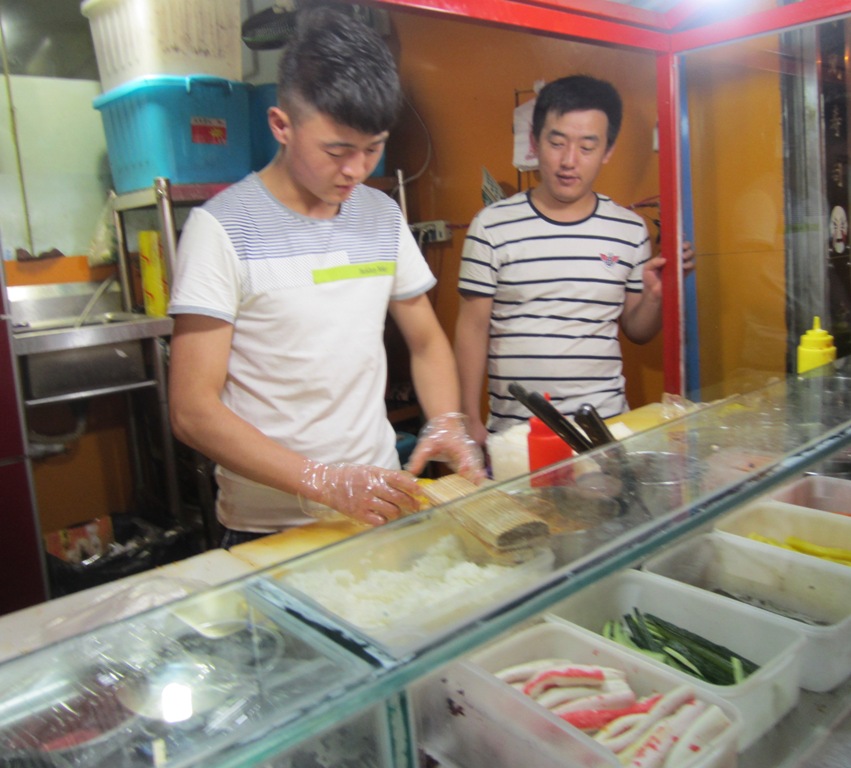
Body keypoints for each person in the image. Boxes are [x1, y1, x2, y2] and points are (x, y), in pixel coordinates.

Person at [168, 7, 482, 548]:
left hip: (378, 503)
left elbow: (428, 342)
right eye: (337, 151)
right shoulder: (220, 229)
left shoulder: (380, 215)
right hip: (269, 526)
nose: (356, 170)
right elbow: (193, 410)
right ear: (281, 126)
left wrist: (447, 418)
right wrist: (321, 481)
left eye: (373, 147)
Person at [454, 74, 695, 446]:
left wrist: (655, 296)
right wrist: (469, 418)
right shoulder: (491, 226)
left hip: (604, 428)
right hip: (518, 435)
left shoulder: (628, 230)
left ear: (608, 151)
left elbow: (638, 330)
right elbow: (472, 329)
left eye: (587, 146)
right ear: (535, 142)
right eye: (557, 142)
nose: (569, 161)